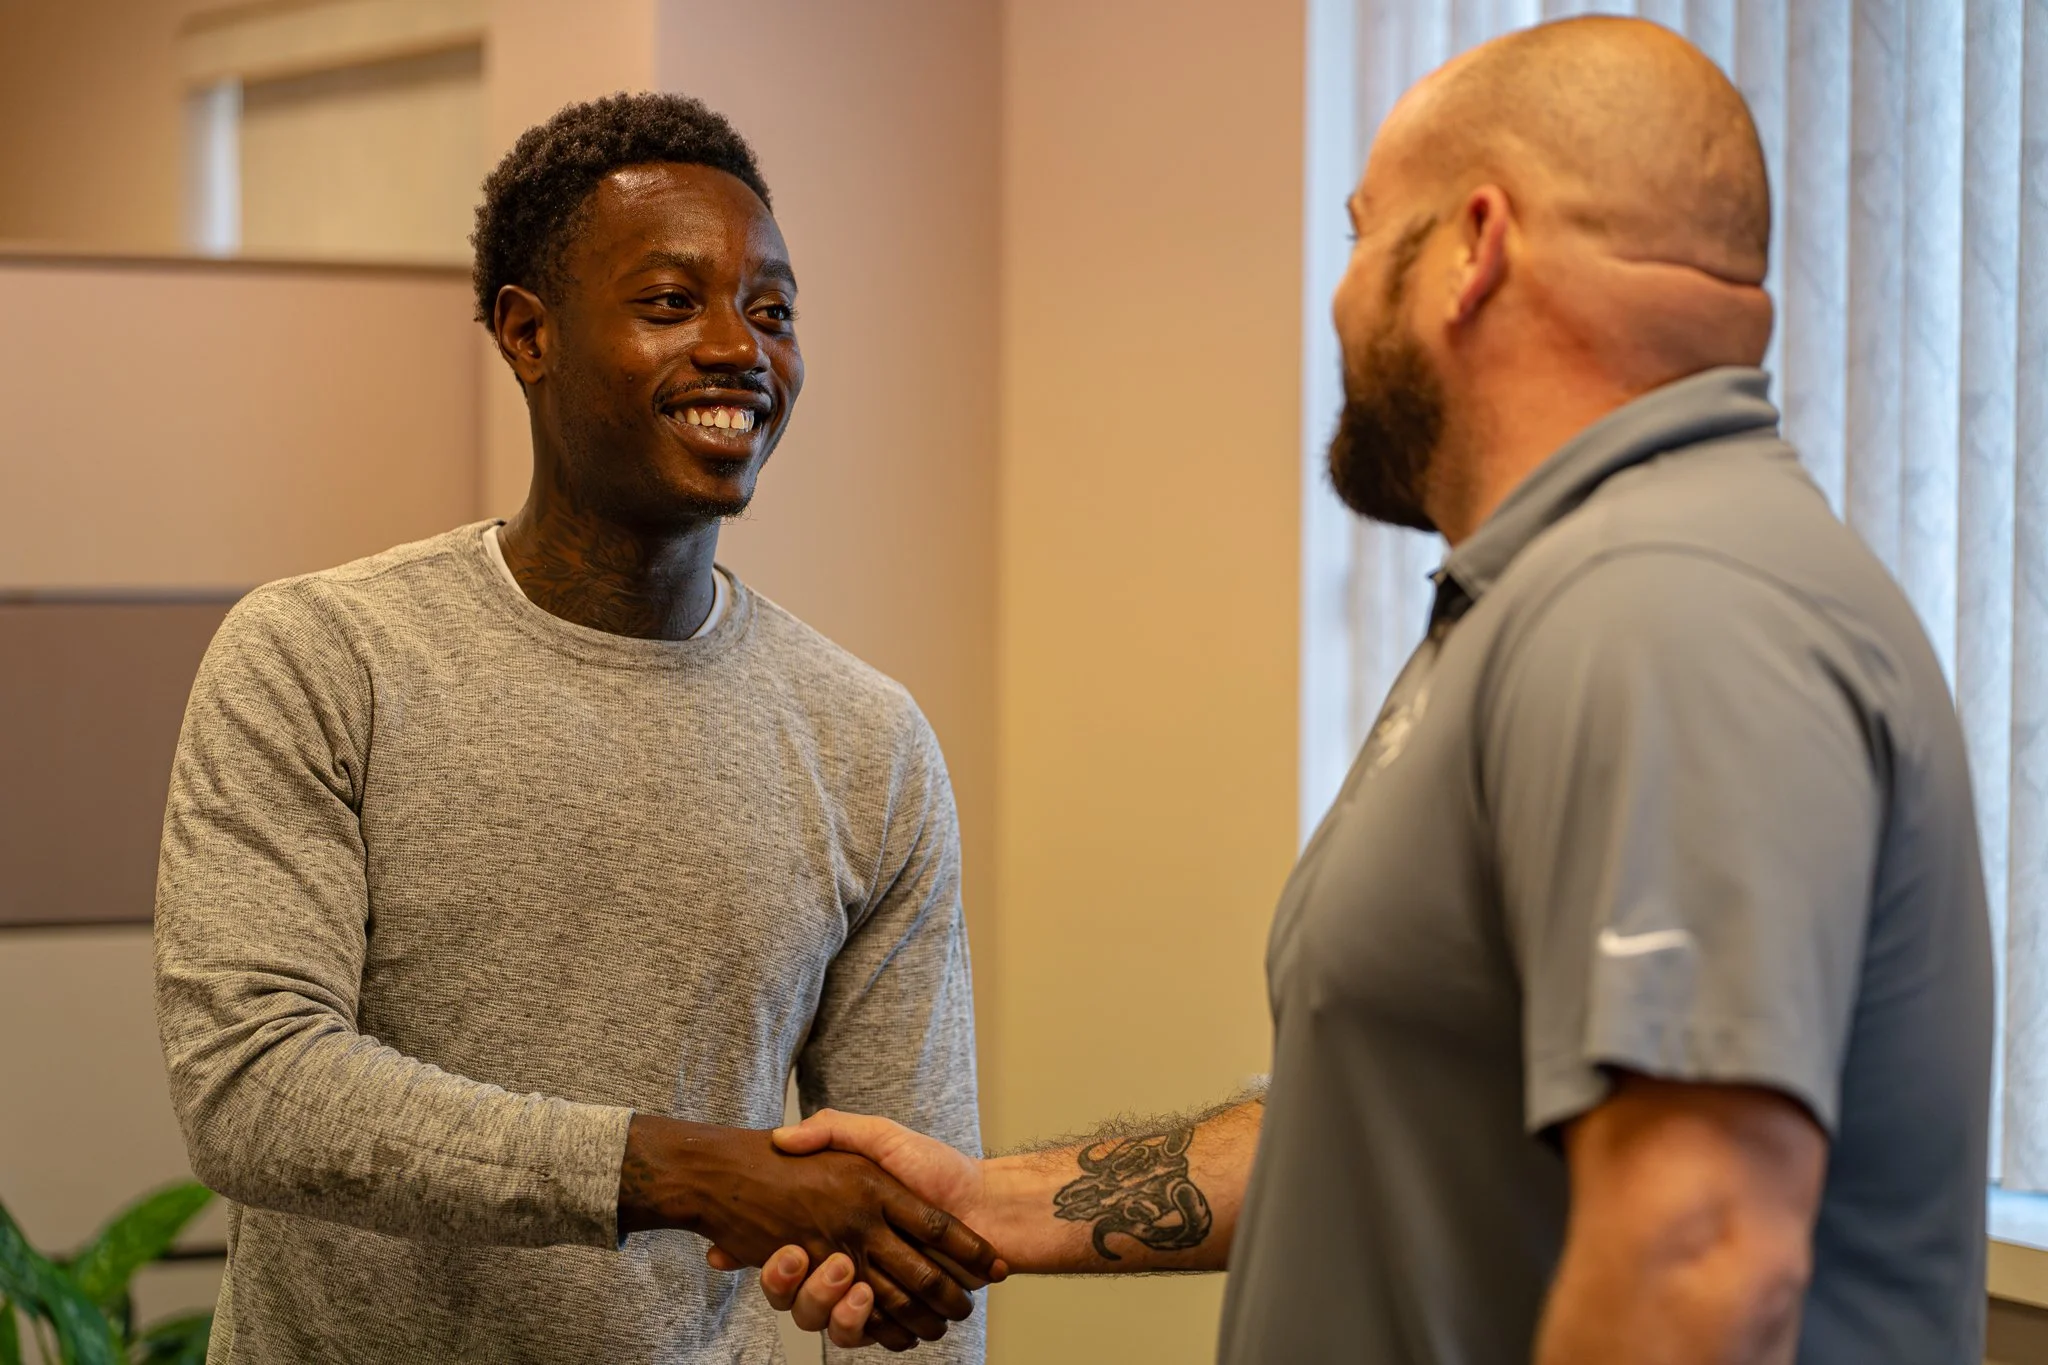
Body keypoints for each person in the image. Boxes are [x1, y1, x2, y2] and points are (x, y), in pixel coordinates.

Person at [747, 16, 1993, 1364]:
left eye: (1359, 232)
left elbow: (1693, 1259)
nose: (1338, 298)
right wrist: (991, 1205)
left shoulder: (1670, 605)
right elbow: (1407, 1103)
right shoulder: (1558, 600)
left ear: (1473, 247)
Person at [154, 93, 1001, 1363]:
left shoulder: (863, 743)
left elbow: (909, 1228)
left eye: (770, 312)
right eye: (672, 303)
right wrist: (679, 1172)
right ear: (528, 334)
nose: (739, 349)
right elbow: (255, 1090)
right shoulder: (321, 659)